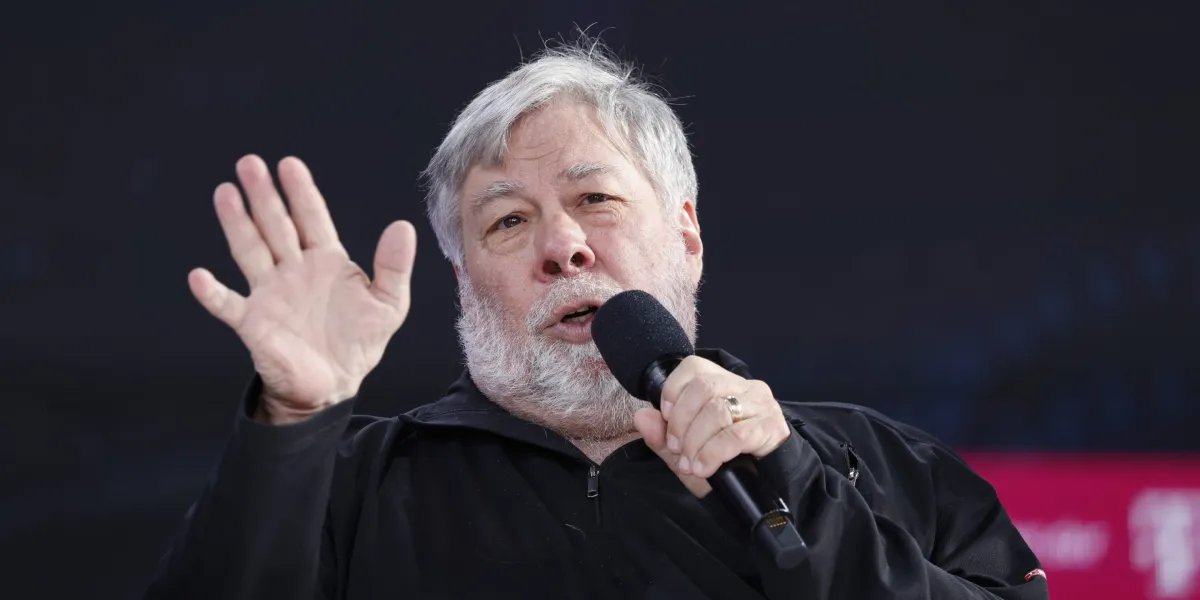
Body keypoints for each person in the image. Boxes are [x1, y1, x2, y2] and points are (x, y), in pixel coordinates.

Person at [146, 39, 1048, 599]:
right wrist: (292, 425)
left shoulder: (878, 467)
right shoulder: (347, 489)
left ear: (687, 235)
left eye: (596, 199)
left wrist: (796, 487)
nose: (563, 247)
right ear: (462, 281)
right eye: (508, 222)